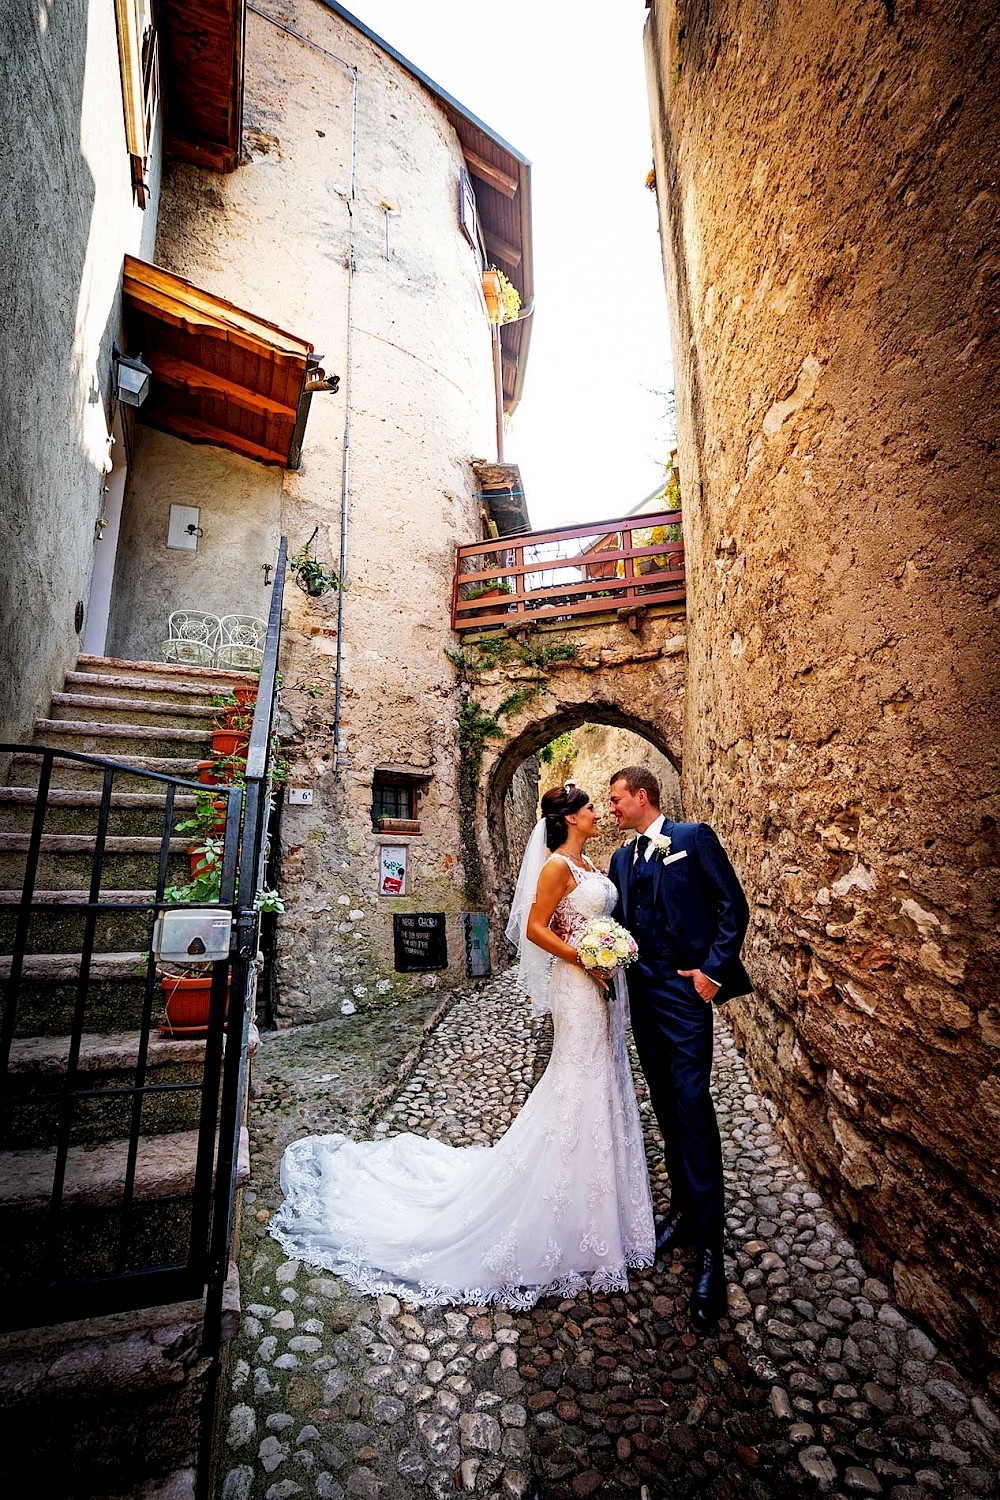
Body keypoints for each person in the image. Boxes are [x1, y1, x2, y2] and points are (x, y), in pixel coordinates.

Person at [270, 785, 654, 1307]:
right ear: (567, 818)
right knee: (576, 1078)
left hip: (599, 982)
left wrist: (607, 950)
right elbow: (534, 929)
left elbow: (591, 917)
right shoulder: (555, 868)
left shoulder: (586, 862)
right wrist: (584, 957)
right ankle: (565, 1198)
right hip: (577, 982)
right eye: (589, 807)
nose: (596, 812)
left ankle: (596, 1202)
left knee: (600, 1076)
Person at [608, 766, 751, 1332]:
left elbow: (731, 910)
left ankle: (712, 1250)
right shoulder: (621, 860)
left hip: (685, 995)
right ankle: (685, 1213)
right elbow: (619, 924)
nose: (612, 808)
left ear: (643, 798)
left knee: (693, 1108)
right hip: (641, 999)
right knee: (665, 1106)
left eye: (618, 799)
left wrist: (711, 975)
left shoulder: (693, 839)